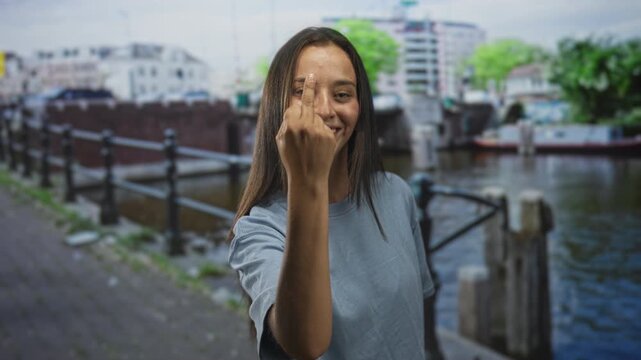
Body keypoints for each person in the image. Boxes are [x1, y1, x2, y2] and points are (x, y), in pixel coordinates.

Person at [228, 27, 434, 359]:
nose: (325, 110)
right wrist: (308, 180)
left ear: (360, 106)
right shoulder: (259, 230)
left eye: (342, 95)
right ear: (275, 107)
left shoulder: (396, 193)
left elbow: (411, 318)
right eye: (303, 92)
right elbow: (305, 344)